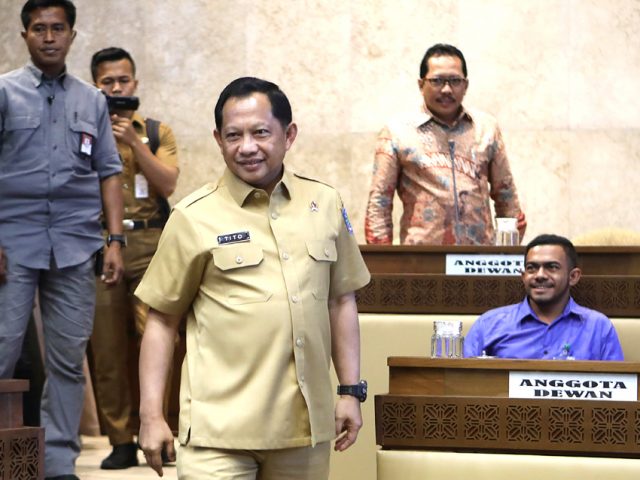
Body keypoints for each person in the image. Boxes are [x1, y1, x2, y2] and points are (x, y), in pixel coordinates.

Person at [135, 77, 371, 479]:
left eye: (261, 132)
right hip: (218, 437)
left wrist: (350, 391)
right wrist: (151, 415)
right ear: (218, 139)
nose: (247, 147)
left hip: (304, 435)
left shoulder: (325, 203)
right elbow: (161, 322)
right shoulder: (194, 216)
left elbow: (340, 301)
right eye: (233, 135)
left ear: (288, 134)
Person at [0, 1, 124, 479]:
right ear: (25, 35)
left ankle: (56, 463)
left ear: (72, 35)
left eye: (58, 29)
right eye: (39, 29)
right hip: (13, 244)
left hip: (75, 244)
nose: (48, 37)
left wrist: (114, 239)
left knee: (69, 358)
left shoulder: (91, 100)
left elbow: (109, 172)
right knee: (5, 347)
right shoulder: (6, 92)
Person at [87, 47, 180, 470]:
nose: (116, 88)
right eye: (107, 82)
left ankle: (160, 428)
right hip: (98, 245)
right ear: (95, 86)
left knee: (162, 338)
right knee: (105, 347)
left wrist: (133, 144)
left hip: (153, 245)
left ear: (135, 85)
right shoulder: (83, 133)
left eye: (123, 81)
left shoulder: (158, 132)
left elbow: (169, 184)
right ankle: (121, 439)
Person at [364, 43, 526, 245]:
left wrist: (506, 259)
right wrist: (384, 264)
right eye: (437, 81)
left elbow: (507, 198)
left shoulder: (487, 128)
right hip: (421, 260)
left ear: (465, 85)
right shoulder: (397, 132)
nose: (447, 89)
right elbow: (379, 203)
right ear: (421, 84)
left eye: (455, 81)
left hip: (479, 260)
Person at [464, 234, 624, 360]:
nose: (540, 275)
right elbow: (463, 383)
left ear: (573, 276)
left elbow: (618, 392)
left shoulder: (599, 328)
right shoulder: (489, 325)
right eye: (531, 268)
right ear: (523, 276)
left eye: (552, 267)